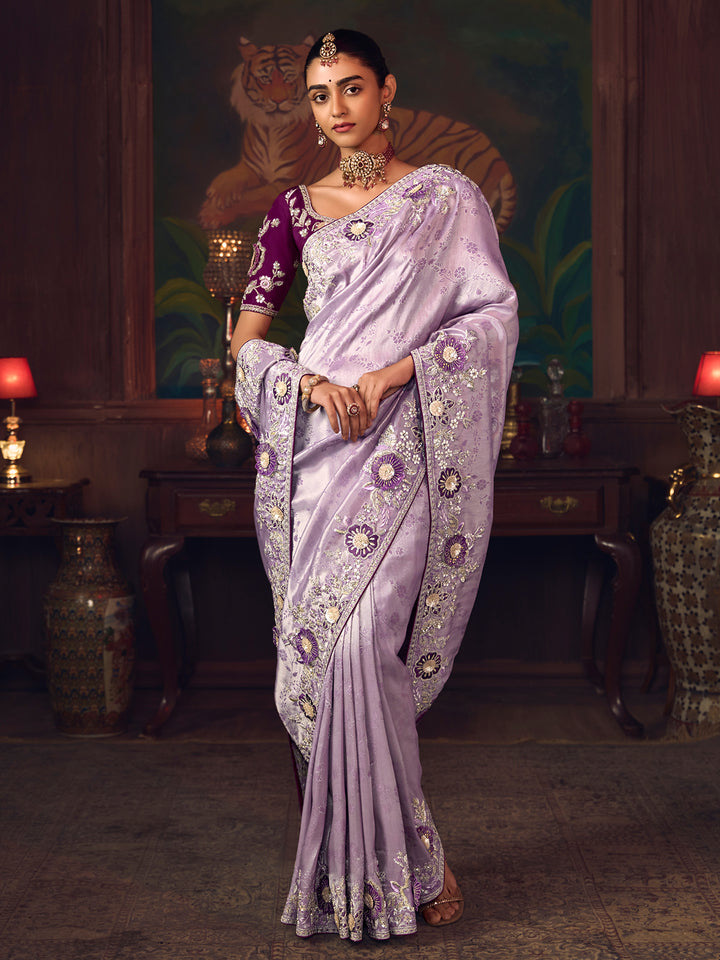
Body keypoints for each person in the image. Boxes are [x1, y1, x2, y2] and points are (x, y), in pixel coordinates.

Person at [231, 28, 518, 941]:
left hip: (404, 443)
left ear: (387, 91)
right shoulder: (293, 210)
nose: (336, 109)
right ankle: (380, 866)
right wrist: (310, 385)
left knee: (364, 650)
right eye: (320, 94)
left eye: (351, 87)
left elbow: (491, 314)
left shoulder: (445, 198)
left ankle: (402, 858)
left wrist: (396, 375)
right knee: (321, 658)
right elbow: (246, 342)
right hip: (316, 452)